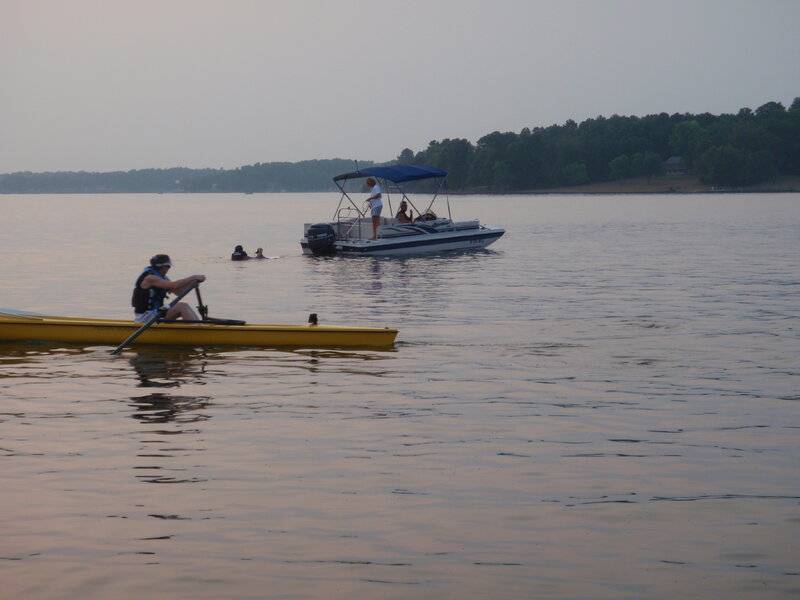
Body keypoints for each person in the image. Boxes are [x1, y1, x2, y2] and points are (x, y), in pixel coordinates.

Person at [131, 254, 206, 322]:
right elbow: (174, 285)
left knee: (184, 305)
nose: (169, 269)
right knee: (182, 306)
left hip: (155, 313)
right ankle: (200, 330)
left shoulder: (162, 278)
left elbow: (178, 292)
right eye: (168, 266)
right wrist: (193, 277)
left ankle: (197, 327)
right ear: (163, 266)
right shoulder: (150, 278)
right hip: (145, 317)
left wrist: (192, 283)